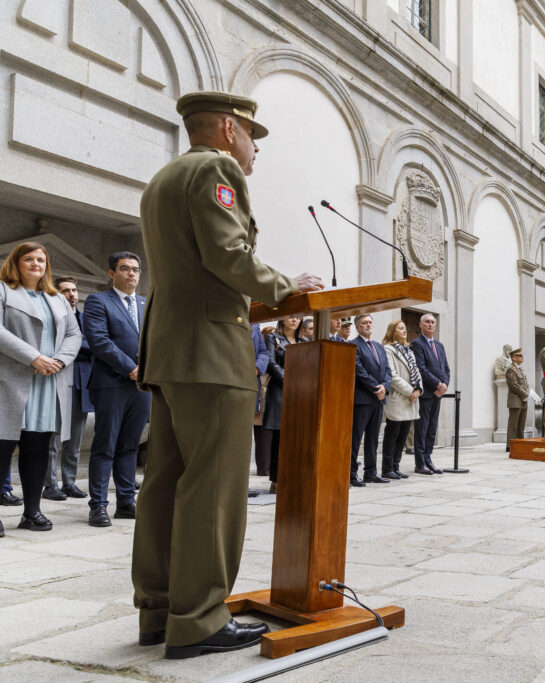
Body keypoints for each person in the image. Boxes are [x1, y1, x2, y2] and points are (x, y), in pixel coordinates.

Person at [132, 91, 322, 658]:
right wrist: (288, 288)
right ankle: (200, 620)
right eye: (250, 137)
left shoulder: (162, 179)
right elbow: (228, 254)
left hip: (170, 351)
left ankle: (160, 611)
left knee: (165, 485)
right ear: (224, 128)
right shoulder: (215, 168)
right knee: (213, 489)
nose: (254, 151)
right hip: (212, 351)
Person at [0, 242, 82, 538]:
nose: (36, 264)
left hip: (48, 381)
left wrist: (58, 360)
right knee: (2, 448)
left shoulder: (57, 298)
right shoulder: (3, 290)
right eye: (29, 259)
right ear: (16, 262)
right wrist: (33, 356)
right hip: (11, 380)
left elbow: (74, 334)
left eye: (41, 260)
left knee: (37, 450)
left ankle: (31, 512)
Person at [82, 252, 151, 527]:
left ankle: (126, 502)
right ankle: (98, 505)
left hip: (142, 385)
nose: (132, 274)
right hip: (112, 382)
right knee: (105, 445)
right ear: (112, 273)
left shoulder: (146, 304)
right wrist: (130, 368)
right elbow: (99, 341)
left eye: (136, 270)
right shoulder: (98, 301)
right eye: (125, 269)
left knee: (130, 446)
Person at [42, 276, 92, 500]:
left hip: (82, 384)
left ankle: (69, 482)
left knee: (75, 437)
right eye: (66, 291)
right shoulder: (53, 317)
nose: (72, 294)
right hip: (57, 379)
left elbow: (95, 344)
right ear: (56, 294)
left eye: (74, 290)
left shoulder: (86, 318)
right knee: (52, 436)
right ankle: (50, 484)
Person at [350, 314, 391, 485]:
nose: (368, 325)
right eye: (363, 323)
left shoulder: (379, 346)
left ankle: (371, 472)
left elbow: (387, 370)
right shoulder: (353, 345)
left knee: (373, 438)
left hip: (378, 399)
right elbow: (359, 371)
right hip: (362, 399)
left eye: (369, 322)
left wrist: (385, 386)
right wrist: (377, 388)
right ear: (357, 327)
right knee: (356, 438)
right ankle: (351, 473)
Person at [263, 315, 302, 493]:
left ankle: (294, 477)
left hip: (302, 393)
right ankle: (277, 480)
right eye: (291, 316)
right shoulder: (274, 338)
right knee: (280, 438)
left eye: (298, 317)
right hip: (281, 391)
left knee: (296, 437)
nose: (295, 319)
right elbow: (271, 363)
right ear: (282, 319)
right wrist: (290, 380)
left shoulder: (304, 340)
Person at [382, 319, 421, 478]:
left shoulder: (408, 350)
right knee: (392, 435)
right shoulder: (388, 349)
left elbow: (417, 373)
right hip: (399, 397)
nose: (404, 330)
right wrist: (410, 391)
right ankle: (387, 468)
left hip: (411, 399)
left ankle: (396, 466)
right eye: (400, 328)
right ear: (392, 331)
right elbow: (392, 375)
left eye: (405, 328)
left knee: (403, 434)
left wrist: (418, 389)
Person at [410, 313, 449, 473]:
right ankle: (420, 464)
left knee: (432, 428)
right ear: (420, 325)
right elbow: (421, 368)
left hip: (438, 394)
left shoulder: (439, 345)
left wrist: (445, 385)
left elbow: (446, 368)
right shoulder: (416, 344)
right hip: (426, 393)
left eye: (433, 322)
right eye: (427, 322)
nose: (430, 324)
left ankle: (428, 459)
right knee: (422, 429)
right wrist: (437, 384)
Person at [250, 323, 271, 477]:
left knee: (243, 440)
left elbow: (263, 352)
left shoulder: (255, 324)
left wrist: (257, 367)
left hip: (252, 383)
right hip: (228, 380)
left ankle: (242, 486)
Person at [504, 348, 529, 451]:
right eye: (519, 356)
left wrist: (528, 393)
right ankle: (510, 445)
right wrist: (524, 394)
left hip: (523, 399)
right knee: (513, 424)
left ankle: (519, 443)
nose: (522, 357)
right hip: (515, 400)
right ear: (514, 358)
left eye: (522, 355)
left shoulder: (520, 369)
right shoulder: (511, 369)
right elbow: (514, 385)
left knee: (521, 424)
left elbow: (525, 384)